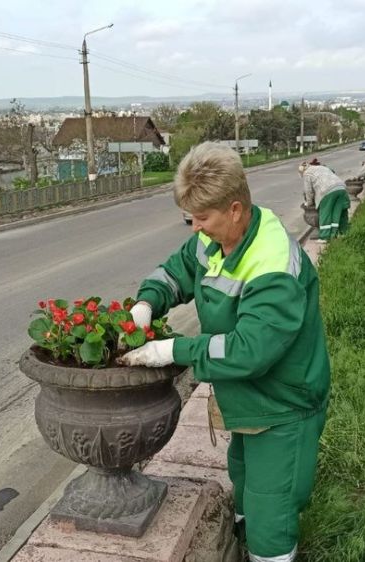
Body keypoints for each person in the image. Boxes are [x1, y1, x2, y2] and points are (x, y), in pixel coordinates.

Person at [119, 142, 331, 562]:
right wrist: (146, 304)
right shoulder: (215, 239)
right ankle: (241, 543)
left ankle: (267, 553)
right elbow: (177, 270)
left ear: (235, 209)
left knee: (272, 506)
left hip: (283, 404)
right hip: (247, 401)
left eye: (203, 218)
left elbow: (249, 351)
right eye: (190, 218)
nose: (195, 228)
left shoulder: (271, 263)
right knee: (244, 478)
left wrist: (171, 350)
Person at [299, 160, 349, 240]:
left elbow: (308, 191)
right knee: (340, 212)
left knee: (325, 213)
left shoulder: (307, 173)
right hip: (341, 188)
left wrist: (309, 203)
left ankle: (325, 237)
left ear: (302, 171)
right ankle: (344, 232)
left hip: (327, 191)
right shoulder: (322, 167)